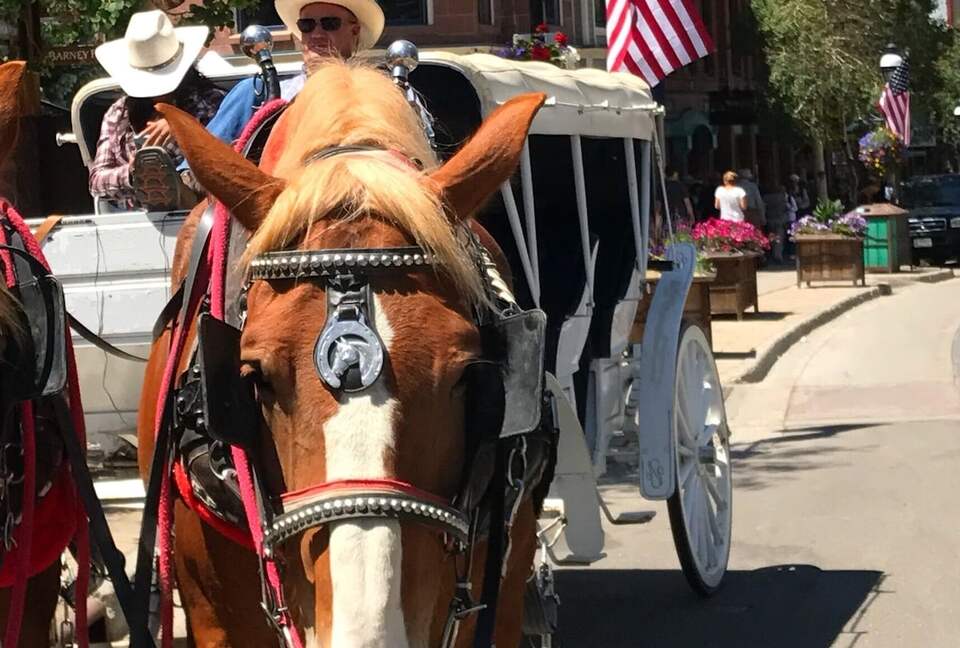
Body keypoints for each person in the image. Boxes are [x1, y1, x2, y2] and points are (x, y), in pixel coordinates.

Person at [200, 0, 385, 149]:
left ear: (355, 30)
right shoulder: (255, 93)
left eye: (330, 24)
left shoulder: (386, 96)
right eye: (306, 25)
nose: (317, 33)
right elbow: (204, 157)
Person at [89, 11, 224, 211]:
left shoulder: (211, 101)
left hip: (203, 214)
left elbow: (226, 153)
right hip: (138, 220)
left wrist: (184, 128)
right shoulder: (119, 114)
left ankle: (183, 183)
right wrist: (133, 173)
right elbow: (96, 181)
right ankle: (166, 186)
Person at [664, 166, 694, 230]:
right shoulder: (681, 186)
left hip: (666, 217)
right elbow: (687, 203)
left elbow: (658, 205)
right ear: (675, 174)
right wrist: (691, 216)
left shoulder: (662, 187)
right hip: (680, 217)